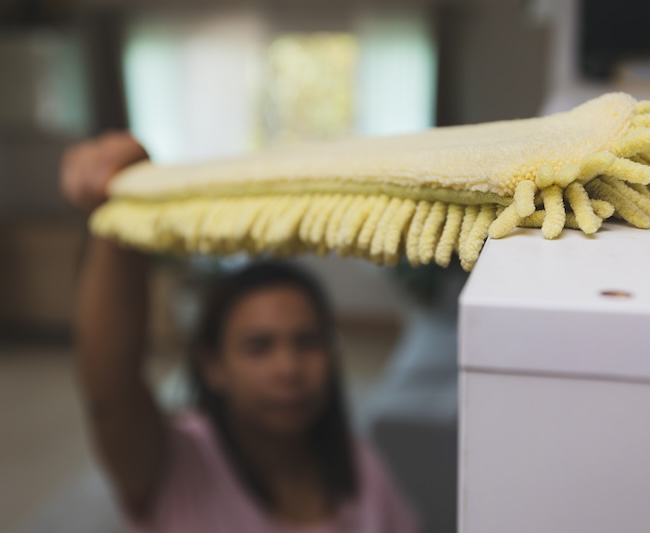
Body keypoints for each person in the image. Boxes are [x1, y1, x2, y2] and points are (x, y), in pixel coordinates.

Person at [61, 131, 420, 533]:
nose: (289, 369)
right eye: (258, 347)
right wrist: (121, 201)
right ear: (212, 365)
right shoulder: (174, 464)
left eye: (307, 342)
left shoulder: (360, 468)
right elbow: (109, 395)